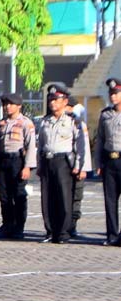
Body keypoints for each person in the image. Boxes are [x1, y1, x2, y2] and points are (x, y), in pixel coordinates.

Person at [37, 84, 90, 244]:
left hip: (64, 162)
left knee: (64, 197)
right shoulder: (45, 121)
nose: (52, 103)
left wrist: (81, 167)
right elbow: (41, 145)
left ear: (65, 101)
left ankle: (63, 232)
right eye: (50, 99)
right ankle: (51, 230)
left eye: (56, 99)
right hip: (48, 160)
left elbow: (81, 145)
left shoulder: (73, 122)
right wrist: (39, 165)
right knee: (47, 198)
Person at [0, 93, 37, 240]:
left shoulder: (25, 123)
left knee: (19, 195)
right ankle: (7, 224)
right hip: (3, 162)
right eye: (5, 104)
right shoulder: (1, 123)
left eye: (10, 104)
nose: (7, 107)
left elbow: (30, 146)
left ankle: (19, 227)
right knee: (4, 196)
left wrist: (27, 167)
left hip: (18, 161)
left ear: (19, 106)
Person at [97, 78, 121, 246]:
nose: (113, 97)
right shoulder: (105, 114)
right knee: (110, 200)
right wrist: (98, 163)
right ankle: (112, 235)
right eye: (111, 94)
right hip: (109, 161)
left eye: (116, 93)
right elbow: (100, 140)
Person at [66, 97, 89, 237]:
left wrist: (83, 168)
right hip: (63, 165)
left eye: (69, 107)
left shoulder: (79, 123)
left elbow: (84, 146)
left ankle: (72, 225)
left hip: (76, 164)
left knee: (76, 196)